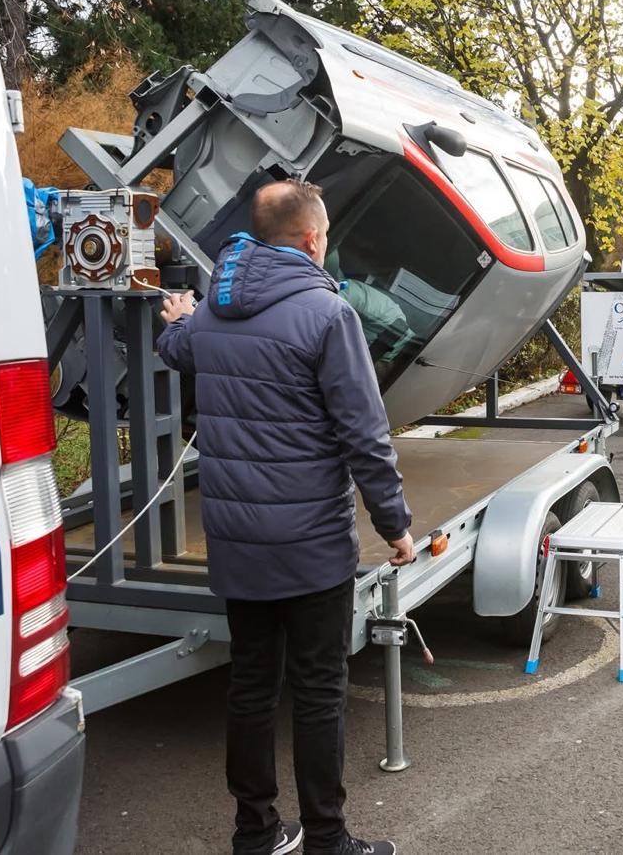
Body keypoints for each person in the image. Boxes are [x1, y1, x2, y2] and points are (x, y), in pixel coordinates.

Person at [156, 180, 412, 855]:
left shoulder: (213, 312)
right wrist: (394, 524)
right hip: (311, 545)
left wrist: (177, 319)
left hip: (237, 542)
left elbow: (178, 351)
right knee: (319, 691)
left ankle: (257, 834)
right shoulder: (328, 315)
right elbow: (365, 435)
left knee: (250, 684)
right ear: (313, 239)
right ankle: (327, 839)